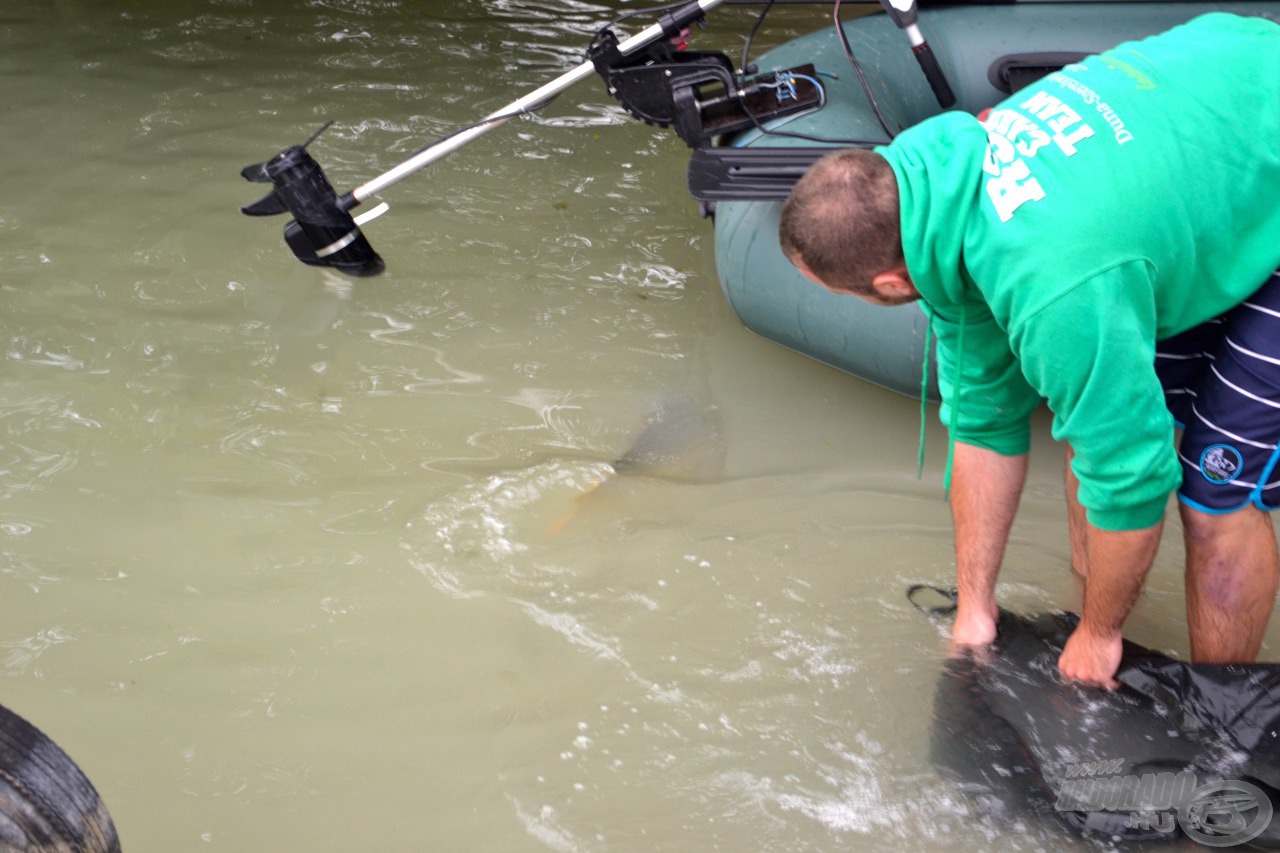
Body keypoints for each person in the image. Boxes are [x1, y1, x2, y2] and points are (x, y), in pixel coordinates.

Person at [778, 12, 1280, 687]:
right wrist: (975, 611)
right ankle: (1096, 609)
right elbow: (984, 421)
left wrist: (1098, 640)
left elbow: (1130, 475)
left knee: (1214, 491)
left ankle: (1226, 724)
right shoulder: (937, 193)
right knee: (1092, 415)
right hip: (1216, 135)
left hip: (1252, 117)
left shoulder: (1052, 284)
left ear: (891, 282)